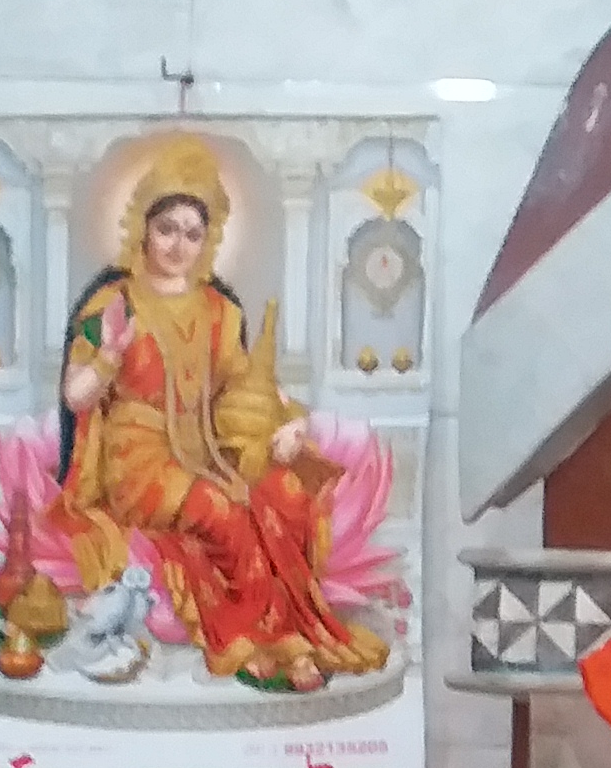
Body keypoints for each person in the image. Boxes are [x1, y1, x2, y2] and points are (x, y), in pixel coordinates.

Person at [55, 137, 387, 693]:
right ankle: (242, 639)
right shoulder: (113, 304)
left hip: (209, 446)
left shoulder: (219, 310)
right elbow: (76, 397)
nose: (178, 244)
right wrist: (112, 353)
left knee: (283, 494)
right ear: (142, 227)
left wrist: (288, 423)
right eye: (167, 229)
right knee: (222, 511)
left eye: (192, 232)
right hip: (137, 459)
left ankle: (287, 636)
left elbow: (243, 384)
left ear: (207, 240)